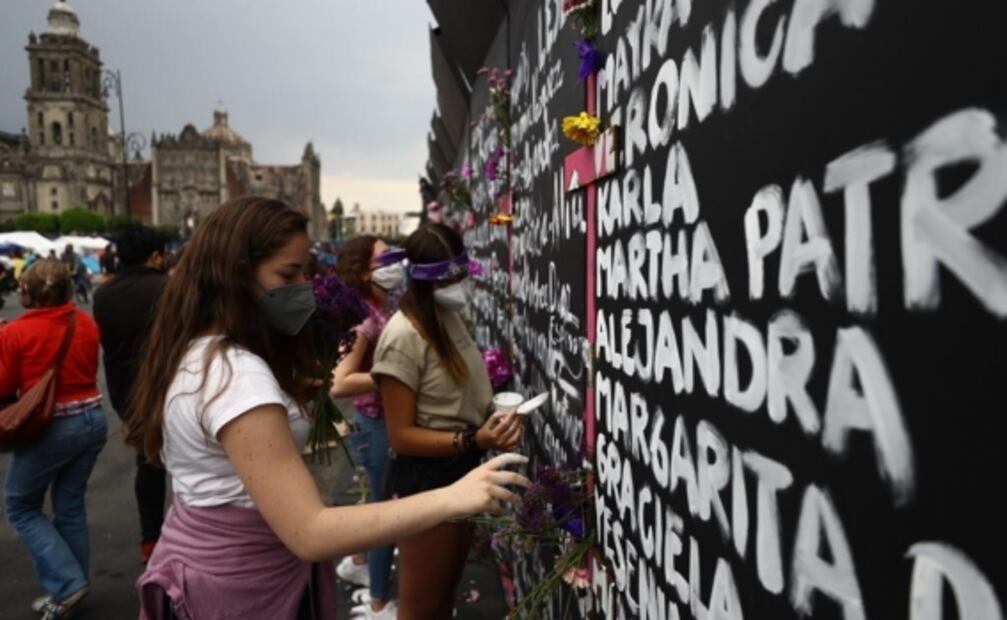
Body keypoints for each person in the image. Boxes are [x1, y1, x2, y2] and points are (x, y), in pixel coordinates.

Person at [124, 197, 528, 620]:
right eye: (289, 273)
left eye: (305, 271)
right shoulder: (237, 377)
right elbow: (311, 531)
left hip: (226, 574)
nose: (303, 286)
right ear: (234, 275)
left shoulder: (208, 356)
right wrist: (452, 498)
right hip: (243, 589)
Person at [372, 223, 524, 619]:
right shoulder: (402, 337)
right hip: (428, 479)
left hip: (462, 471)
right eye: (449, 279)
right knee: (421, 606)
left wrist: (495, 423)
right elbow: (401, 436)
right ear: (423, 280)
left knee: (443, 596)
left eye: (461, 276)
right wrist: (474, 439)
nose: (458, 286)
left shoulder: (446, 316)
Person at [0, 259, 107, 620]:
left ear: (27, 291)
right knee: (70, 506)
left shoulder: (15, 332)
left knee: (21, 505)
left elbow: (3, 386)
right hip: (93, 420)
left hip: (52, 426)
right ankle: (68, 589)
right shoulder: (86, 322)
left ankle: (67, 584)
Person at [329, 235, 406, 619]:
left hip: (378, 421)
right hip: (374, 424)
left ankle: (359, 561)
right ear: (363, 271)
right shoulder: (363, 319)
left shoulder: (381, 304)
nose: (394, 262)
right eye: (384, 257)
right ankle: (378, 602)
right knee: (384, 513)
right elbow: (340, 382)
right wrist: (394, 374)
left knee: (376, 499)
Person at [92, 226, 169, 563]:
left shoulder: (103, 295)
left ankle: (150, 538)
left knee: (148, 462)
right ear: (155, 256)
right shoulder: (167, 289)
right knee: (190, 461)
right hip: (167, 388)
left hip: (126, 393)